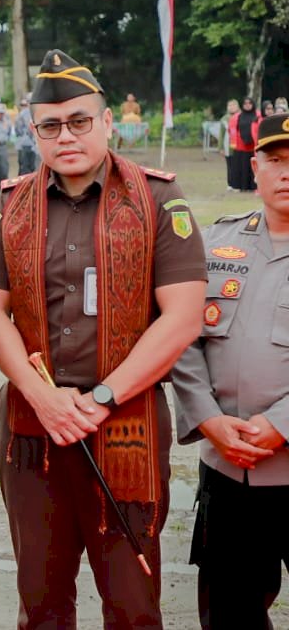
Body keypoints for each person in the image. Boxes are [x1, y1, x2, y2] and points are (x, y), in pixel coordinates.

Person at [0, 49, 206, 628]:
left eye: (80, 121)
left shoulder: (157, 199)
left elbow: (180, 317)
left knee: (131, 601)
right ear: (34, 132)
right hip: (35, 427)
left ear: (108, 122)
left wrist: (102, 397)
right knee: (41, 599)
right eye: (51, 125)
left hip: (126, 419)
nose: (66, 136)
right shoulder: (11, 206)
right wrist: (43, 396)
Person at [171, 111, 289, 628]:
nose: (287, 173)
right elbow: (180, 337)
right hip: (227, 469)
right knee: (228, 612)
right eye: (276, 160)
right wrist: (208, 419)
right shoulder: (218, 245)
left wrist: (283, 424)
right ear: (254, 166)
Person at [229, 96, 260, 192]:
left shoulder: (258, 115)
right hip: (241, 147)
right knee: (241, 167)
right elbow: (232, 130)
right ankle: (241, 186)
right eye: (245, 103)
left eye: (249, 103)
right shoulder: (237, 117)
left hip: (254, 147)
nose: (247, 105)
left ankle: (253, 187)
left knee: (253, 168)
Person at [14, 97, 36, 176]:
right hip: (26, 143)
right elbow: (18, 129)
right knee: (25, 167)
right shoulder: (23, 114)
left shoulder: (40, 111)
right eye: (29, 101)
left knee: (35, 166)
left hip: (37, 144)